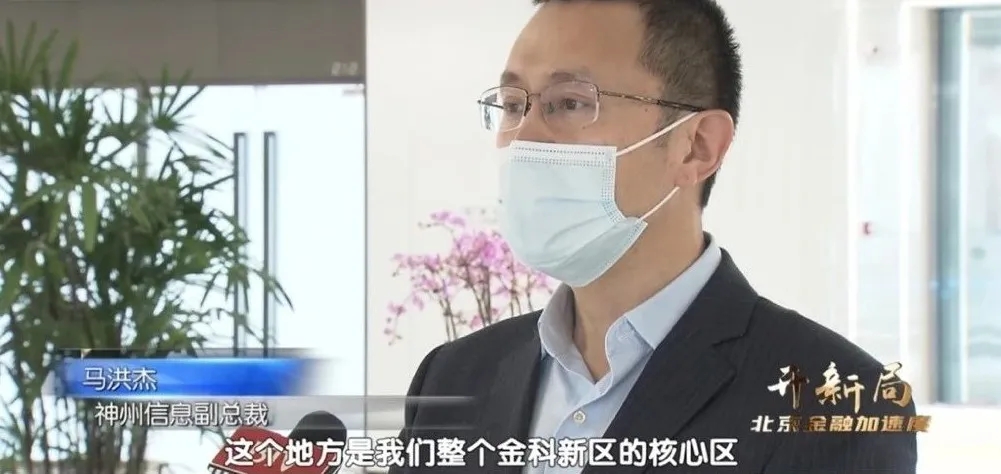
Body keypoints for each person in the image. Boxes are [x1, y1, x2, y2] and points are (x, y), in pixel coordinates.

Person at [392, 0, 918, 472]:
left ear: (696, 146)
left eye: (569, 102)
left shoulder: (837, 408)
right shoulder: (452, 378)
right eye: (513, 105)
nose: (523, 137)